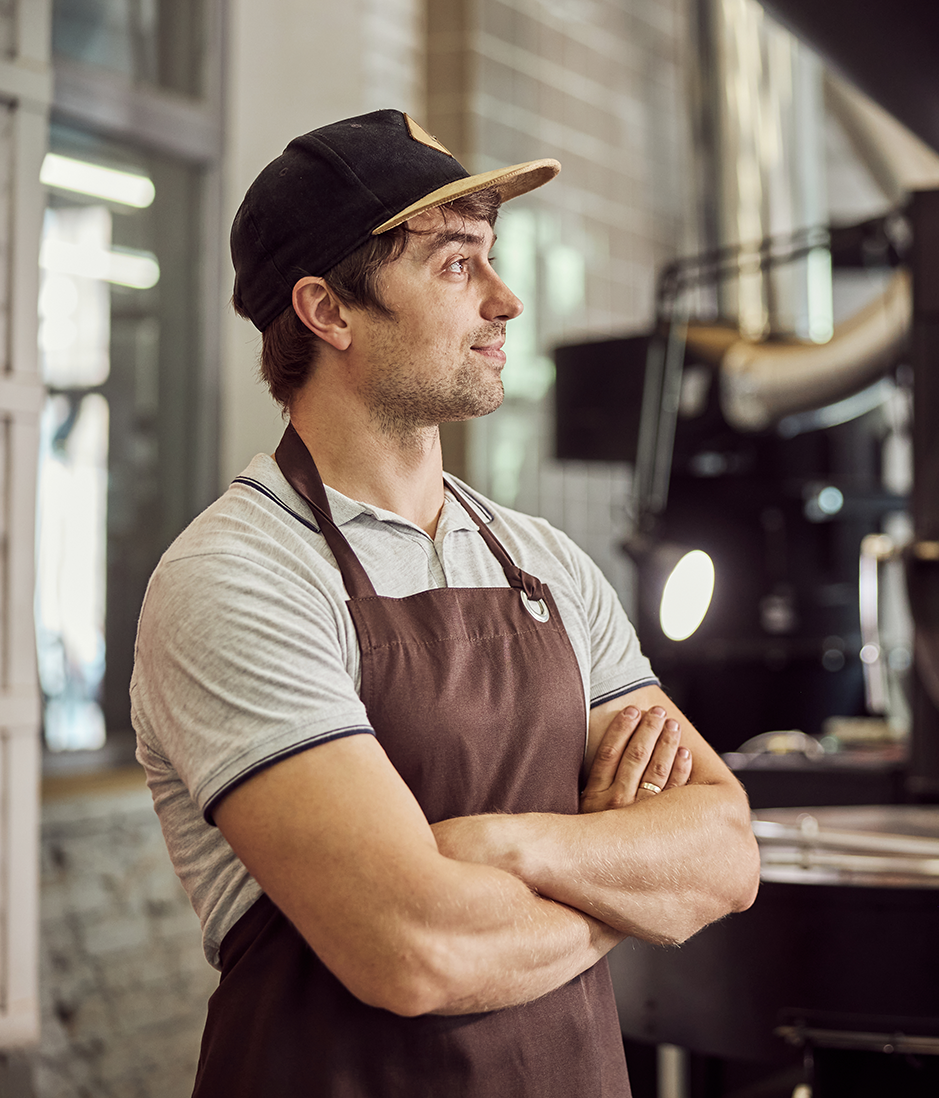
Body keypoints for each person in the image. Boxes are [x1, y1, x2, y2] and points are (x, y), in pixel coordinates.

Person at [130, 109, 761, 1097]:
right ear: (329, 312)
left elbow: (723, 853)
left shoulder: (542, 559)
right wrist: (635, 890)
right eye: (457, 265)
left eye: (491, 261)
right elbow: (418, 951)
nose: (506, 301)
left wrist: (503, 846)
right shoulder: (239, 578)